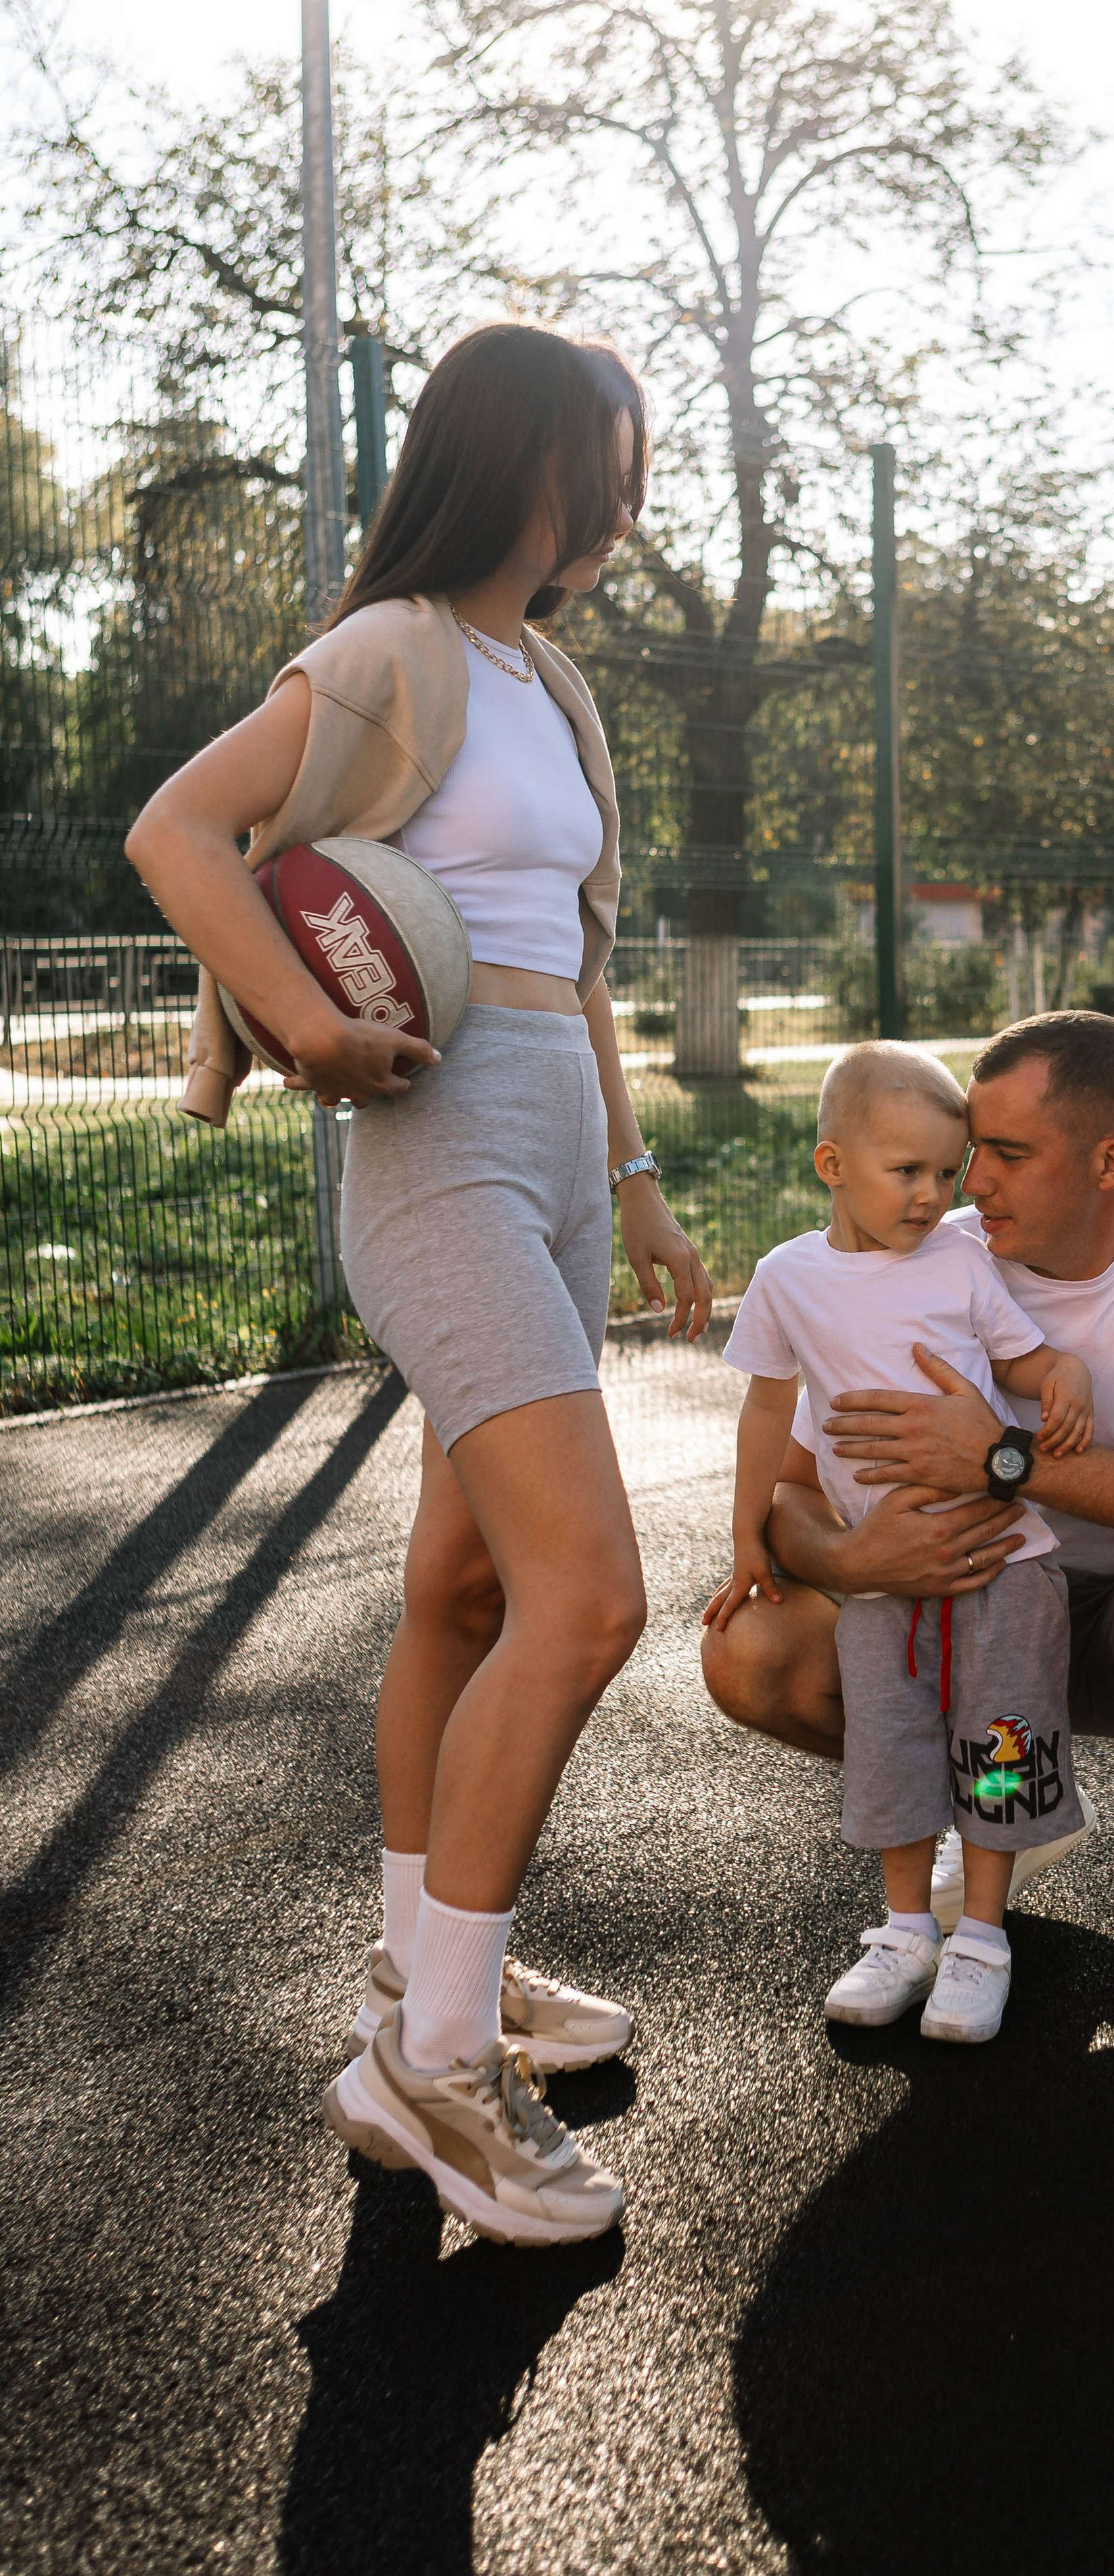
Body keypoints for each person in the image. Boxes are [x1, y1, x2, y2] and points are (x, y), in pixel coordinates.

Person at [124, 323, 713, 2246]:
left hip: (549, 1135)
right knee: (592, 1592)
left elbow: (578, 962)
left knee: (463, 1590)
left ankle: (421, 1977)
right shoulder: (389, 650)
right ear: (520, 459)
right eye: (603, 468)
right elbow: (177, 830)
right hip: (440, 1147)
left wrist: (631, 1184)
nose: (622, 510)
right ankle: (435, 2068)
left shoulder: (551, 680)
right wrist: (293, 1022)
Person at [702, 1009, 1114, 2000]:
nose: (969, 1180)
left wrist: (1003, 1462)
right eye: (968, 1149)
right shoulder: (931, 1251)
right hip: (967, 1604)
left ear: (1109, 1161)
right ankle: (1003, 1813)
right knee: (750, 1652)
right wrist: (851, 1562)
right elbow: (791, 1487)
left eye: (1007, 1153)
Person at [705, 1044, 1095, 2045]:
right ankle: (908, 1929)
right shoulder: (789, 1279)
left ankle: (986, 1939)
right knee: (892, 1746)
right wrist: (751, 1537)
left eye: (944, 1170)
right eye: (906, 1171)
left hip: (1000, 1565)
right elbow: (765, 1412)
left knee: (997, 1737)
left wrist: (1069, 1376)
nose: (933, 1195)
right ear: (832, 1164)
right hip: (881, 1583)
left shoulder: (963, 1260)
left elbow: (1025, 1354)